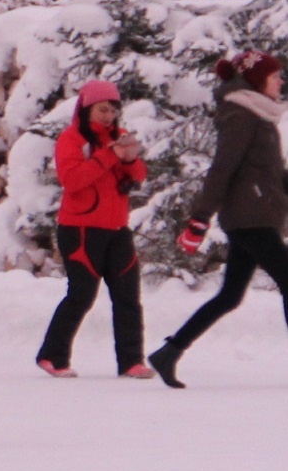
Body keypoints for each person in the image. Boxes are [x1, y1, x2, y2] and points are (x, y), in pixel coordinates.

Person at [151, 51, 288, 387]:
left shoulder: (259, 116)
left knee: (230, 295)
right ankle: (170, 351)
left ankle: (169, 352)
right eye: (275, 76)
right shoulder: (241, 116)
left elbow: (267, 173)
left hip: (256, 213)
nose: (281, 81)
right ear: (257, 81)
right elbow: (222, 168)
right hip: (249, 216)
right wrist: (200, 218)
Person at [37, 78, 151, 378]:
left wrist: (130, 158)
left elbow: (138, 176)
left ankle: (131, 361)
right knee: (82, 295)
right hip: (81, 229)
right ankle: (52, 356)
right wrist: (108, 155)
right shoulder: (71, 140)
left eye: (113, 110)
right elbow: (72, 181)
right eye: (102, 109)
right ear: (86, 109)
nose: (108, 116)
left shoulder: (120, 136)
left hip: (117, 229)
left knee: (128, 297)